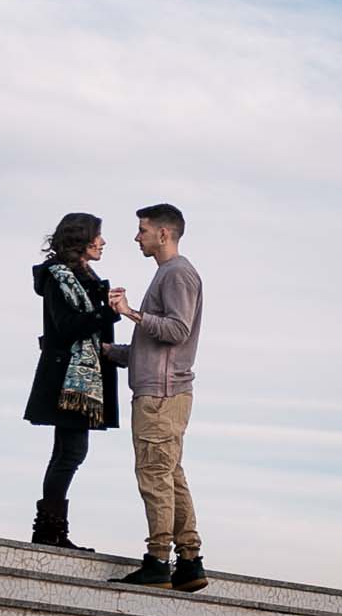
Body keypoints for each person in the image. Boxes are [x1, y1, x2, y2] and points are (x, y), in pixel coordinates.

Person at [106, 204, 206, 592]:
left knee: (154, 476)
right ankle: (190, 561)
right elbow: (155, 347)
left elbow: (177, 330)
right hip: (165, 392)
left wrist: (130, 313)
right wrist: (110, 351)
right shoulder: (169, 274)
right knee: (170, 474)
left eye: (142, 230)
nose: (137, 237)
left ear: (164, 234)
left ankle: (158, 560)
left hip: (161, 398)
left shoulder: (177, 273)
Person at [23, 213, 122, 552]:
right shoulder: (59, 277)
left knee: (67, 453)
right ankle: (50, 532)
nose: (103, 242)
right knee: (70, 453)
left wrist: (105, 303)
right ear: (81, 239)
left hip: (78, 381)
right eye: (98, 235)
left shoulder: (84, 277)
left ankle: (50, 532)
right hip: (66, 381)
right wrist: (107, 313)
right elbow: (64, 327)